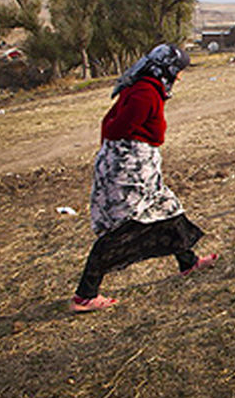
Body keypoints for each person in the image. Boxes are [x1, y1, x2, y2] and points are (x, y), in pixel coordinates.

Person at [69, 43, 217, 313]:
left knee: (167, 207)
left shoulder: (147, 87)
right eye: (179, 70)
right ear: (167, 68)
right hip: (128, 171)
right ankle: (85, 294)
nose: (181, 76)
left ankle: (188, 261)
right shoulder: (146, 92)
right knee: (125, 227)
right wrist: (126, 159)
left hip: (140, 167)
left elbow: (113, 125)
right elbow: (116, 129)